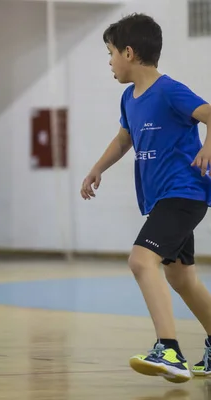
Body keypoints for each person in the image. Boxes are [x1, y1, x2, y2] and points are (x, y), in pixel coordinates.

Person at [81, 13, 211, 383]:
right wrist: (97, 168)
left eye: (110, 53)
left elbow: (210, 114)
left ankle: (168, 349)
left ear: (129, 52)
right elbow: (125, 139)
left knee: (141, 260)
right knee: (182, 277)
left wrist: (208, 147)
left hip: (184, 192)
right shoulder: (129, 97)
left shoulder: (169, 90)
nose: (109, 62)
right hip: (164, 198)